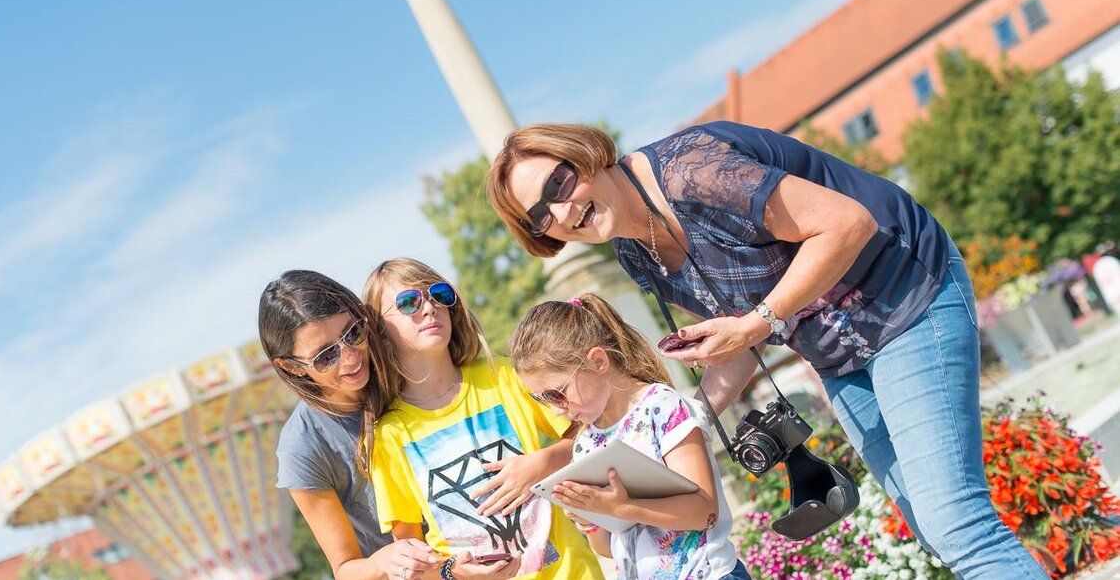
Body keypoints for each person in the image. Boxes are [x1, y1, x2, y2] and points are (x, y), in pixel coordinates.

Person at [485, 121, 1049, 579]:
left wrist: (759, 322)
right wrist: (680, 427)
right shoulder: (637, 255)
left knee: (956, 523)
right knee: (930, 527)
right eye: (540, 216)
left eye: (558, 185)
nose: (560, 212)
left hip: (904, 293)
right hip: (837, 353)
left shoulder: (691, 171)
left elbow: (847, 224)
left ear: (585, 156)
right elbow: (732, 346)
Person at [362, 258, 604, 580]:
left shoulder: (502, 375)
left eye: (439, 294)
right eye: (409, 302)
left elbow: (592, 434)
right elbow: (409, 553)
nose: (430, 308)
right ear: (379, 330)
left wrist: (544, 461)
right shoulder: (388, 435)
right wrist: (452, 572)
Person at [508, 293, 752, 580]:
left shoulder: (663, 408)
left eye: (556, 394)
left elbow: (704, 513)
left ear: (598, 361)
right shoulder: (586, 443)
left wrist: (622, 507)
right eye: (541, 399)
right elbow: (610, 548)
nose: (555, 410)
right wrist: (590, 519)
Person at [259, 270, 442, 580]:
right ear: (291, 366)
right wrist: (384, 560)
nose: (350, 357)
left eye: (353, 333)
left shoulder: (405, 366)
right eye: (326, 355)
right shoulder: (303, 447)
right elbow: (345, 568)